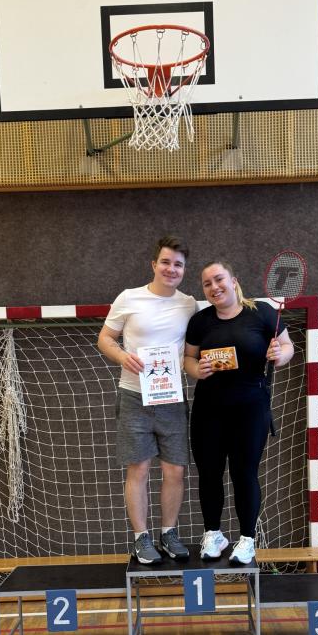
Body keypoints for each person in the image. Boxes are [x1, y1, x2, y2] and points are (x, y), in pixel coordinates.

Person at [184, 260, 294, 564]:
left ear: (234, 281)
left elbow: (288, 347)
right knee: (209, 473)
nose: (214, 287)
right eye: (207, 283)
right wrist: (197, 369)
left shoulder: (262, 313)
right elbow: (189, 359)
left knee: (244, 473)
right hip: (208, 409)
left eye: (219, 279)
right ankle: (213, 534)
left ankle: (247, 540)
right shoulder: (200, 321)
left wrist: (279, 354)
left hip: (250, 409)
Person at [98, 235, 198, 564]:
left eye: (178, 265)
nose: (171, 269)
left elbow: (194, 350)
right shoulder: (129, 298)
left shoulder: (189, 305)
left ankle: (168, 533)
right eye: (165, 262)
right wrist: (121, 356)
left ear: (184, 270)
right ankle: (141, 538)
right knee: (139, 469)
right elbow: (105, 338)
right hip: (133, 397)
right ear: (154, 264)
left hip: (172, 399)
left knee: (175, 471)